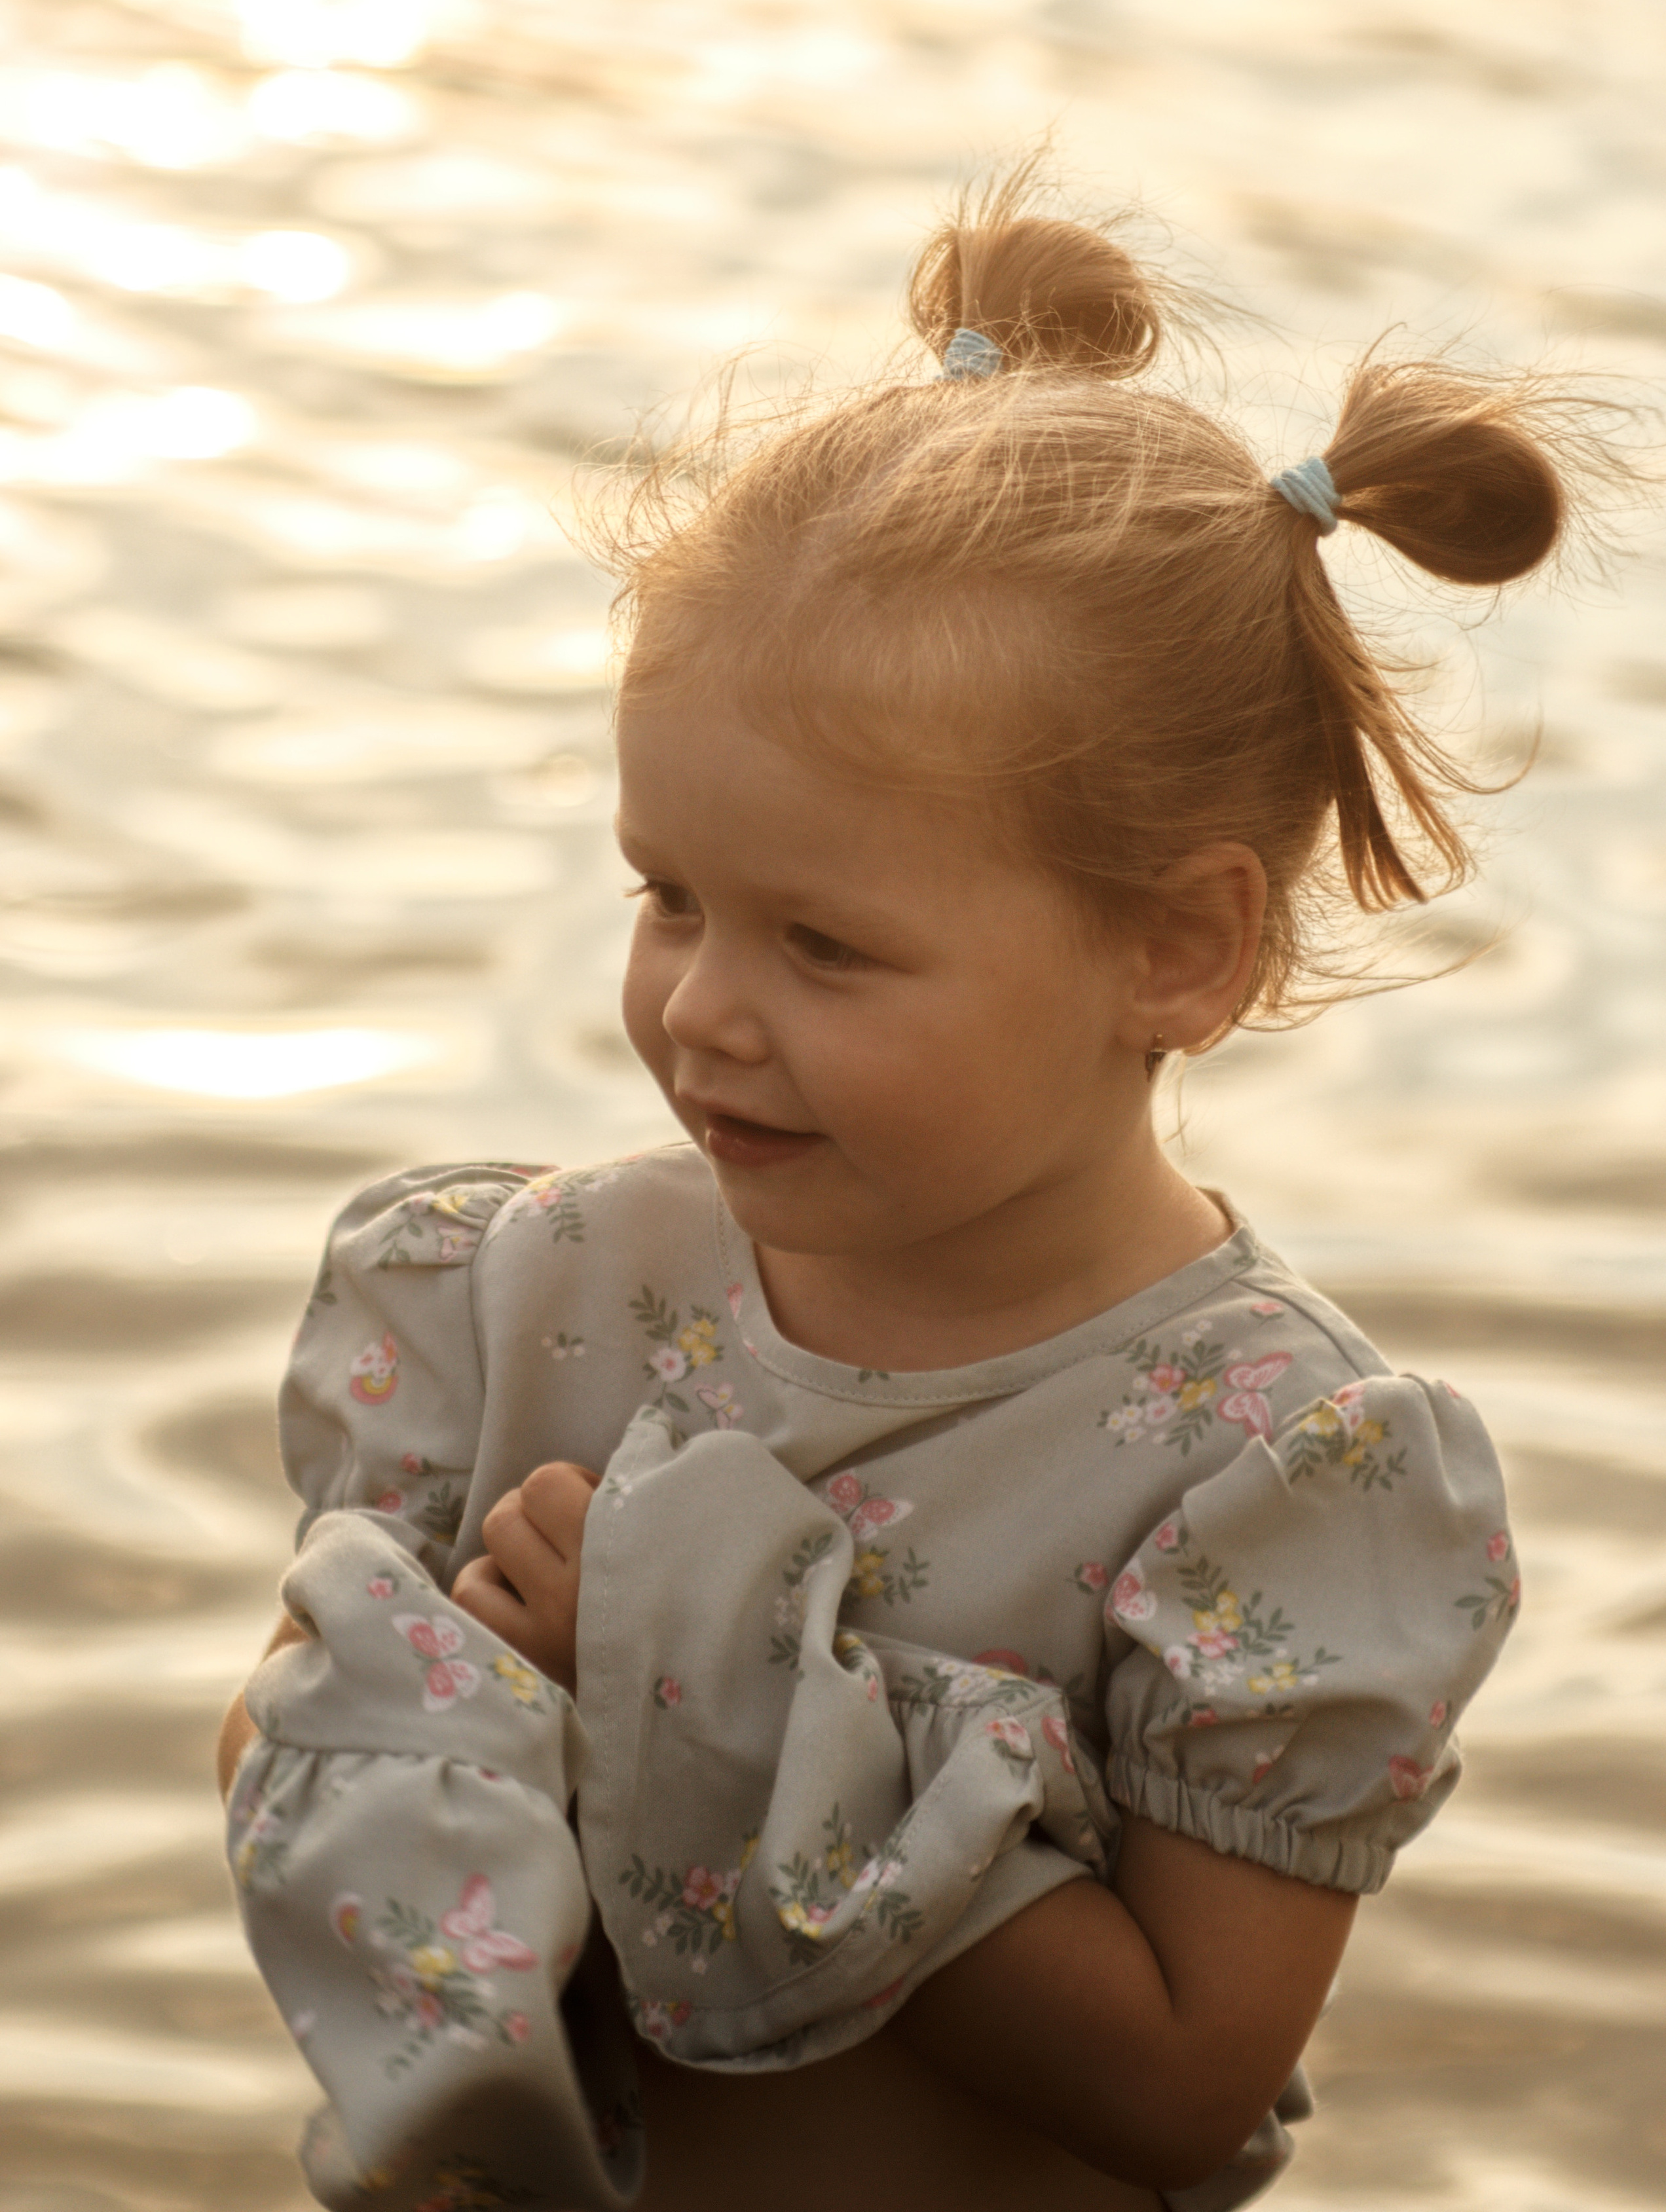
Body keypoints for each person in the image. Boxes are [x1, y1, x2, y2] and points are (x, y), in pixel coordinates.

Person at [219, 169, 1564, 2212]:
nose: (703, 1013)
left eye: (825, 949)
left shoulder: (1282, 1470)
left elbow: (1184, 2084)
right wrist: (392, 1721)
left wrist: (712, 1693)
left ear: (1179, 952)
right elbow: (287, 1753)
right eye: (668, 898)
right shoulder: (543, 1287)